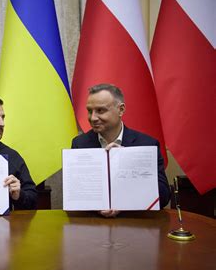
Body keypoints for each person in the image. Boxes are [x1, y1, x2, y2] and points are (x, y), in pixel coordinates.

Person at [71, 83, 170, 217]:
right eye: (89, 111)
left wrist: (128, 161)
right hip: (94, 226)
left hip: (136, 225)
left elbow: (163, 197)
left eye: (100, 110)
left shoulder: (147, 144)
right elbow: (75, 193)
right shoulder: (80, 144)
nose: (92, 118)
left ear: (121, 110)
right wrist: (96, 208)